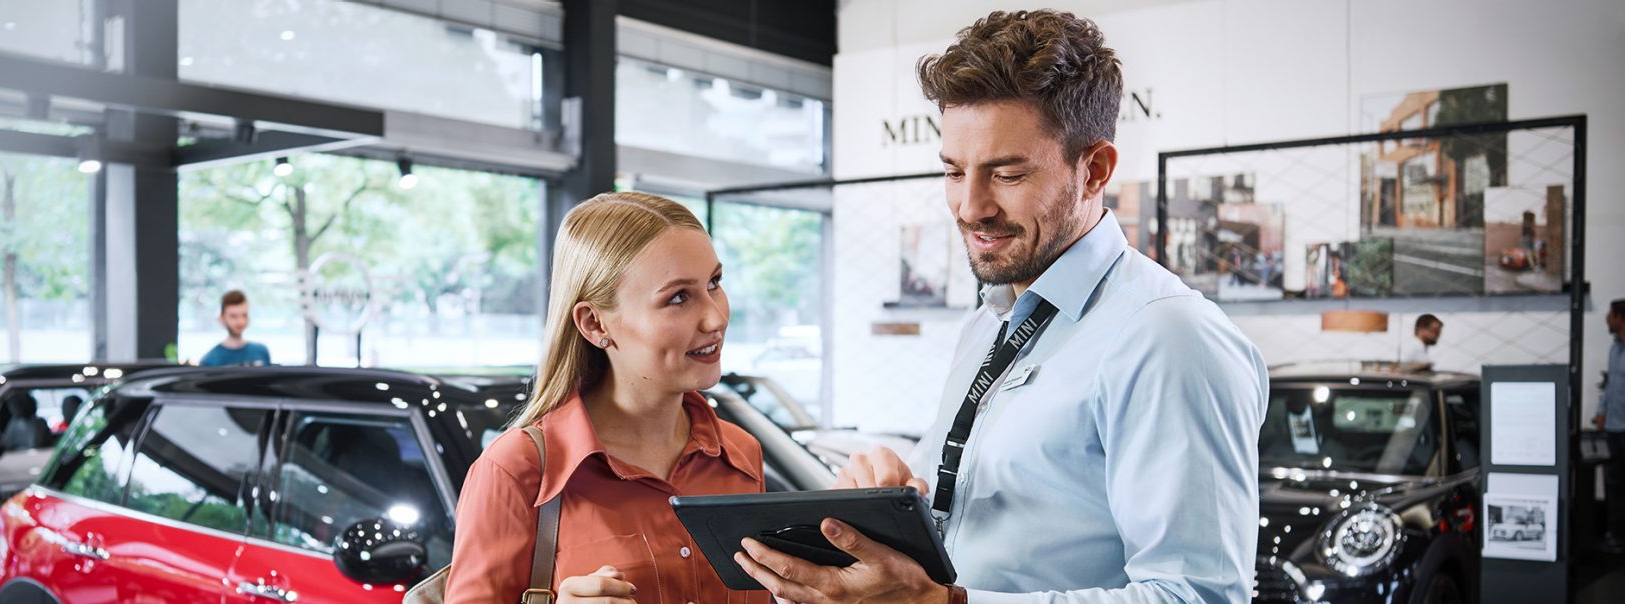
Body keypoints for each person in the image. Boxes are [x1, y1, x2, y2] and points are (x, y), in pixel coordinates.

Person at [736, 10, 1266, 603]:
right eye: (954, 172)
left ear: (1095, 170)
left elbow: (1200, 594)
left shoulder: (1166, 336)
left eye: (1006, 174)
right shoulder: (992, 318)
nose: (969, 206)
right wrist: (893, 503)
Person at [444, 192, 766, 604]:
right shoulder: (515, 472)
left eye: (714, 283)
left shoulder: (740, 454)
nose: (716, 317)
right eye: (678, 297)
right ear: (594, 323)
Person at [1596, 299, 1625, 553]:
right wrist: (1601, 411)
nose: (1607, 319)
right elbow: (1609, 386)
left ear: (1620, 318)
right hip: (1614, 428)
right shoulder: (1614, 349)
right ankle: (1615, 535)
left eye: (1610, 315)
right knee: (1613, 484)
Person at [199, 289, 271, 366]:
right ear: (222, 318)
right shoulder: (209, 361)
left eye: (244, 315)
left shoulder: (261, 352)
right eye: (233, 316)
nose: (240, 321)